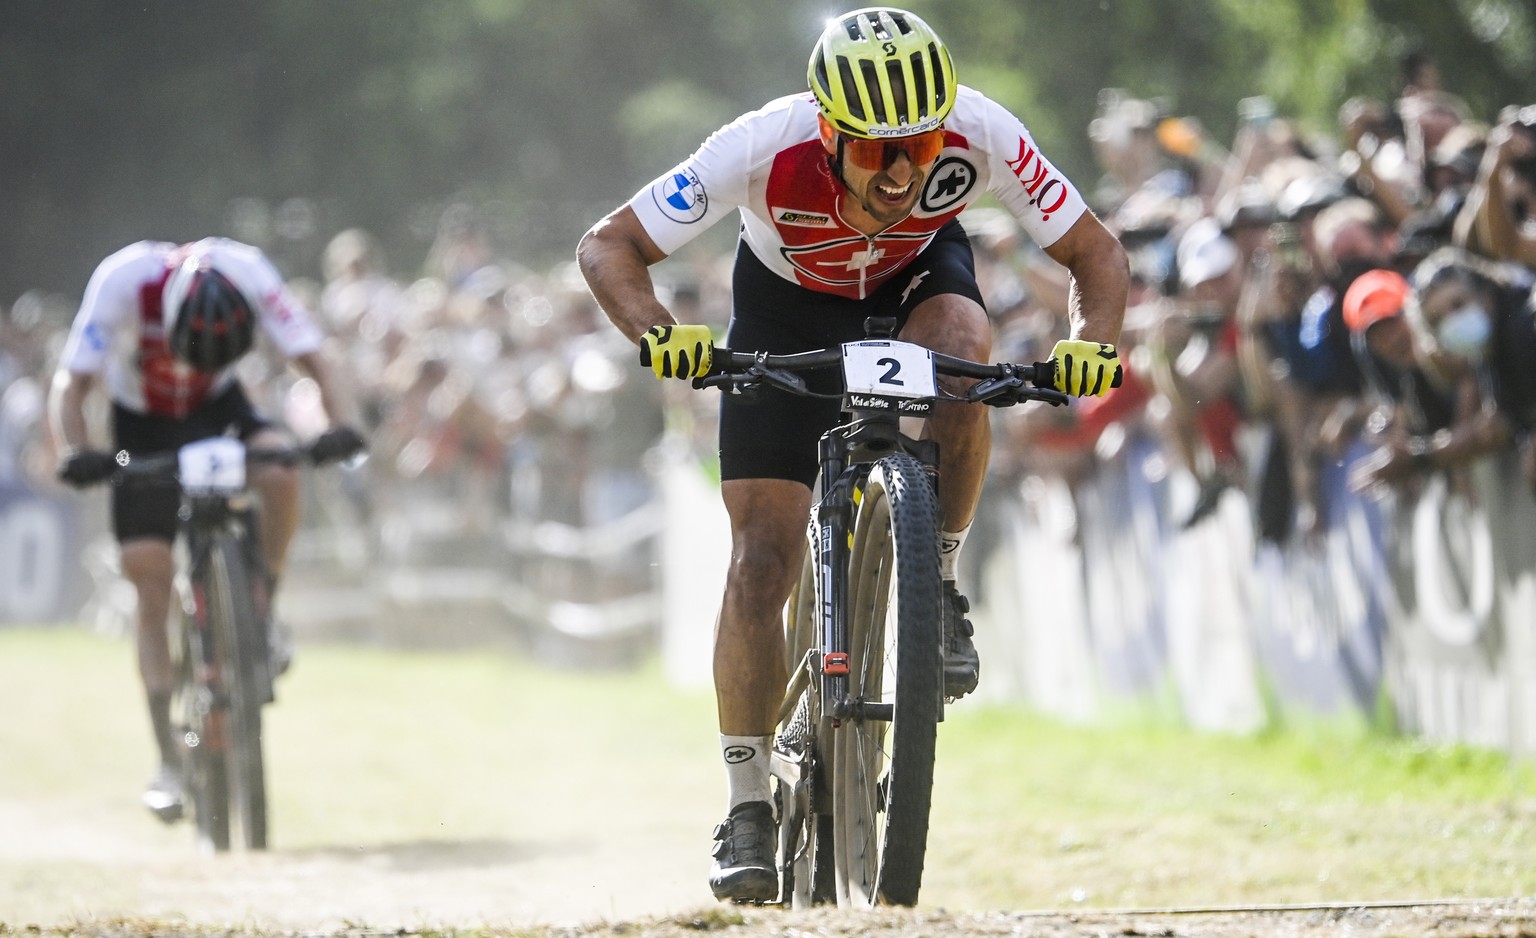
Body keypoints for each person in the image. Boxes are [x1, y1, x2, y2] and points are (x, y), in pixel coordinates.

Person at [576, 8, 1127, 902]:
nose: (904, 171)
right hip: (784, 308)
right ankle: (748, 802)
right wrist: (660, 335)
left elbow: (1095, 254)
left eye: (920, 144)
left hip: (916, 282)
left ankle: (937, 582)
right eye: (876, 151)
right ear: (829, 132)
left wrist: (1092, 341)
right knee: (762, 562)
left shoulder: (982, 131)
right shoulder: (761, 145)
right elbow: (608, 245)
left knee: (963, 340)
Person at [47, 237, 365, 823]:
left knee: (280, 470)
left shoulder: (248, 270)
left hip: (219, 412)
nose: (195, 364)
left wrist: (343, 425)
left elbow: (318, 358)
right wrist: (76, 450)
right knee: (150, 578)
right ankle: (167, 759)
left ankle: (261, 601)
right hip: (140, 423)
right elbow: (72, 382)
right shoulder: (122, 280)